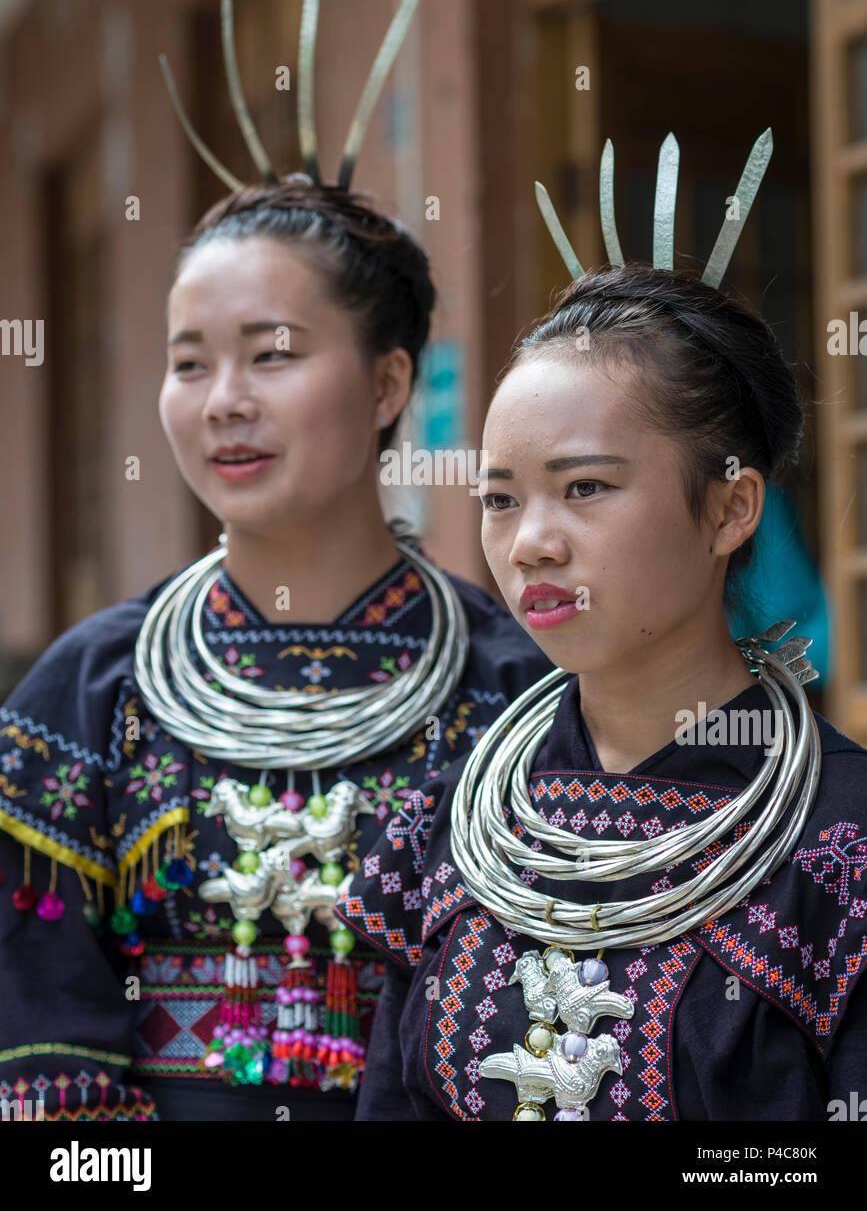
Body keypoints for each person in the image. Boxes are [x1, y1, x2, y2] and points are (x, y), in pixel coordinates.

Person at [0, 0, 552, 1123]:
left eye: (272, 353)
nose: (222, 402)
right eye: (189, 361)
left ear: (389, 380)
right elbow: (39, 1050)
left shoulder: (514, 690)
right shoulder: (85, 692)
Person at [338, 132, 867, 1122]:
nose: (532, 541)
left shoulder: (842, 849)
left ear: (729, 508)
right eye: (501, 500)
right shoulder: (444, 829)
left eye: (585, 487)